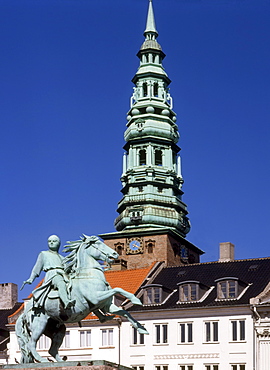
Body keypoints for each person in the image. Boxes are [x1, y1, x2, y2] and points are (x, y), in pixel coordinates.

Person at [22, 235, 75, 309]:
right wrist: (31, 279)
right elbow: (37, 268)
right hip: (53, 274)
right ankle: (66, 302)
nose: (51, 243)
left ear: (59, 243)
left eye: (54, 241)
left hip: (63, 275)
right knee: (61, 283)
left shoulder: (62, 258)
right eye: (49, 241)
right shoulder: (44, 254)